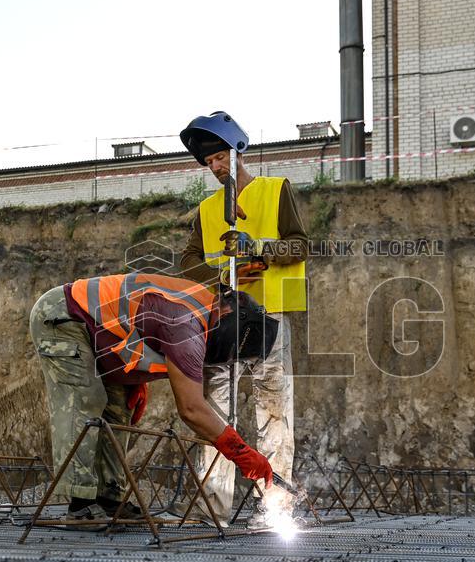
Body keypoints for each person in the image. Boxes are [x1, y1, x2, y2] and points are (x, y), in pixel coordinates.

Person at [29, 271, 278, 524]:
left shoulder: (200, 309)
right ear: (227, 316)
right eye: (235, 349)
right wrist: (242, 453)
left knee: (119, 409)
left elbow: (142, 325)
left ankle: (109, 499)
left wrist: (135, 380)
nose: (230, 356)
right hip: (64, 316)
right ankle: (79, 504)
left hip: (98, 332)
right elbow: (191, 409)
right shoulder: (187, 323)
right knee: (85, 400)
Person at [178, 111, 308, 527]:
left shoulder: (275, 191)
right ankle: (213, 509)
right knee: (218, 413)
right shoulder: (207, 209)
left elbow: (300, 245)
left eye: (220, 157)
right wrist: (217, 275)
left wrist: (261, 250)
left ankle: (274, 509)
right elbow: (187, 262)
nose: (215, 167)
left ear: (238, 151)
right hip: (226, 317)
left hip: (269, 313)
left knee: (273, 411)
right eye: (208, 162)